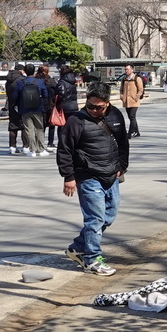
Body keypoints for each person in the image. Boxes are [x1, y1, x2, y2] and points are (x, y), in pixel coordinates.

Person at [58, 80, 128, 276]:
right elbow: (64, 150)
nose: (94, 110)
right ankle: (92, 259)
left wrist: (122, 166)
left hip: (111, 174)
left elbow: (123, 142)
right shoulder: (76, 121)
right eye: (90, 106)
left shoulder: (115, 115)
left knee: (109, 215)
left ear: (107, 103)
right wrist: (68, 177)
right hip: (87, 175)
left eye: (99, 107)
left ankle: (78, 247)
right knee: (95, 219)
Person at [12, 64, 49, 156]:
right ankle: (41, 149)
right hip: (38, 108)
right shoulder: (39, 82)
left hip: (25, 109)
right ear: (34, 71)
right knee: (39, 128)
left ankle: (32, 150)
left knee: (29, 130)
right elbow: (46, 95)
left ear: (25, 71)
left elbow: (15, 96)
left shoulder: (21, 82)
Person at [120, 65, 145, 138]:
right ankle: (137, 132)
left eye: (127, 69)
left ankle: (130, 132)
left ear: (132, 70)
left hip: (134, 101)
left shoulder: (137, 78)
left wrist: (137, 96)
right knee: (131, 117)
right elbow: (121, 89)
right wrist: (121, 96)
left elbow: (140, 89)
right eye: (125, 69)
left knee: (132, 116)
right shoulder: (124, 79)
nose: (126, 71)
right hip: (126, 101)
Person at [4, 66, 23, 153]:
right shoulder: (21, 79)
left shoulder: (8, 80)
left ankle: (12, 146)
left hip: (11, 104)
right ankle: (26, 146)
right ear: (20, 70)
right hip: (21, 105)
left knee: (12, 126)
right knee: (23, 126)